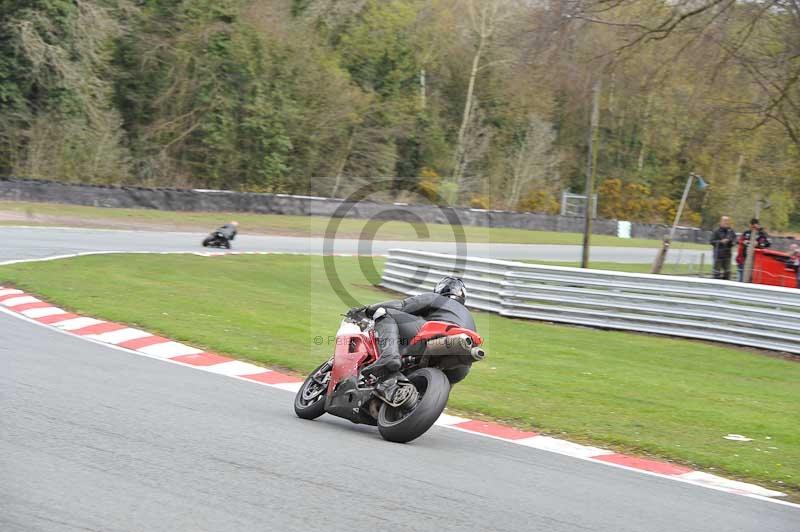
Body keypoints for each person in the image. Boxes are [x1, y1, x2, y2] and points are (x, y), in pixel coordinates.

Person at [353, 277, 475, 390]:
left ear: (440, 290)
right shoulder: (469, 317)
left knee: (384, 313)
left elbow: (402, 306)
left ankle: (389, 356)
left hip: (435, 335)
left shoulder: (436, 298)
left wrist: (368, 310)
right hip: (461, 366)